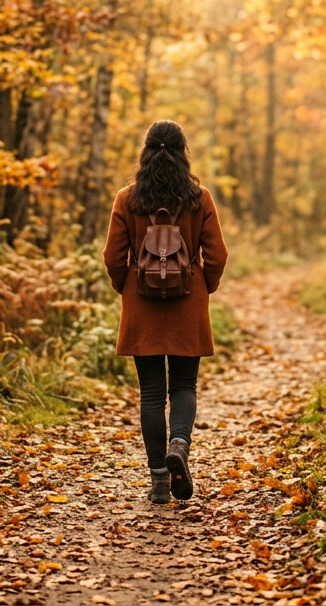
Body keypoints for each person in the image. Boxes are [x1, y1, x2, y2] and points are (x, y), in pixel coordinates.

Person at [103, 120, 228, 504]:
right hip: (187, 302)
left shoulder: (127, 198)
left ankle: (159, 479)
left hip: (141, 305)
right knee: (185, 386)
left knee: (152, 393)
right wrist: (204, 284)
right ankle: (179, 445)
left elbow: (112, 256)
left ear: (145, 152)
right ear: (182, 152)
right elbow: (218, 254)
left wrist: (125, 286)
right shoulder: (199, 197)